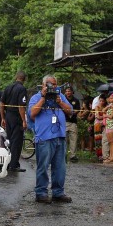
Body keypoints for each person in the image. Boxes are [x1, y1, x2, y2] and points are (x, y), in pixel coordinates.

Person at [28, 75, 73, 203]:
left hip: (60, 136)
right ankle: (41, 193)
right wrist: (43, 98)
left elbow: (70, 111)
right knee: (43, 166)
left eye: (54, 84)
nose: (52, 86)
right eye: (48, 84)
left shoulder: (60, 96)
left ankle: (58, 193)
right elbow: (32, 114)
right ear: (43, 85)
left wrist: (60, 102)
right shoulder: (36, 97)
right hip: (44, 137)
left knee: (60, 167)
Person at [1, 71, 28, 172]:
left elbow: (1, 103)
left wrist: (3, 117)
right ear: (24, 79)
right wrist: (23, 120)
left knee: (9, 140)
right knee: (16, 141)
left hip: (8, 116)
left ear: (16, 77)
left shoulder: (8, 87)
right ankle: (14, 165)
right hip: (17, 117)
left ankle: (7, 162)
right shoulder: (22, 89)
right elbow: (21, 106)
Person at [63, 86, 81, 163]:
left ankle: (73, 156)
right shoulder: (62, 99)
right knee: (63, 140)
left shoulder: (76, 100)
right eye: (67, 91)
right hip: (64, 122)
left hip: (73, 122)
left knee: (73, 139)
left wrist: (72, 113)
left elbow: (77, 110)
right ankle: (63, 155)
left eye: (69, 91)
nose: (68, 92)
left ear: (72, 92)